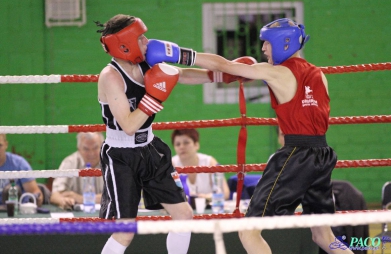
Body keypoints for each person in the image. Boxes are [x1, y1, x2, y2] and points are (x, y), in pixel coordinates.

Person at [145, 18, 353, 253]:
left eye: (266, 43)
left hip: (296, 155)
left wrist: (176, 53)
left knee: (248, 230)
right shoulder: (319, 74)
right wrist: (179, 73)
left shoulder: (275, 72)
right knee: (323, 235)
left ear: (283, 43)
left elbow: (224, 65)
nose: (263, 49)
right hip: (322, 155)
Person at [94, 14, 256, 254]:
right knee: (125, 232)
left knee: (184, 215)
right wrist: (154, 97)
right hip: (121, 156)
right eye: (140, 37)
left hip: (149, 149)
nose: (147, 41)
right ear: (125, 43)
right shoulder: (110, 77)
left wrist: (224, 75)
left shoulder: (146, 61)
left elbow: (181, 74)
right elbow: (128, 125)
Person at [171, 129, 230, 202]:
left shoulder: (209, 162)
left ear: (196, 145)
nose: (181, 147)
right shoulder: (170, 165)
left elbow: (225, 193)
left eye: (186, 143)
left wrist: (206, 197)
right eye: (177, 144)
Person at [50, 132, 104, 210]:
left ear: (103, 147)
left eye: (95, 148)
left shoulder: (111, 163)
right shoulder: (69, 163)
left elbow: (120, 195)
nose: (91, 153)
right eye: (86, 149)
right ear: (79, 149)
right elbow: (54, 195)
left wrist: (81, 199)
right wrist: (64, 201)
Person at [0, 134, 43, 206]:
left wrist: (35, 199)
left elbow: (35, 193)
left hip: (17, 211)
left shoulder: (19, 164)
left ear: (6, 144)